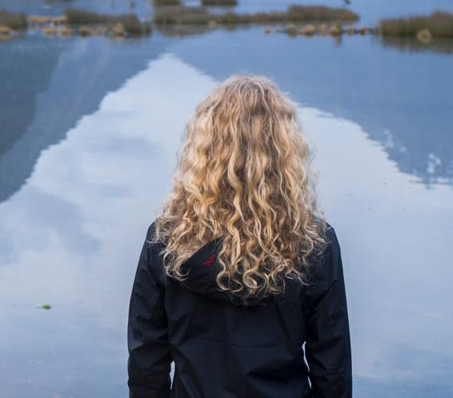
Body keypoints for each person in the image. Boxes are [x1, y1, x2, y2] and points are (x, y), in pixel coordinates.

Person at [127, 73, 352, 398]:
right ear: (283, 150)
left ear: (205, 149)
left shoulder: (167, 240)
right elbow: (333, 370)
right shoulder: (313, 243)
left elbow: (147, 362)